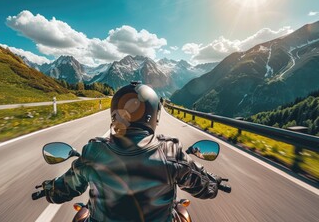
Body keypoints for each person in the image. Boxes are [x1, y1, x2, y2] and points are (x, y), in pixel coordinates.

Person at [44, 81, 220, 222]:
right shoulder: (171, 152)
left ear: (114, 113)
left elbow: (62, 190)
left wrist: (50, 189)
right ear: (154, 115)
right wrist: (213, 183)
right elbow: (206, 188)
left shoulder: (93, 152)